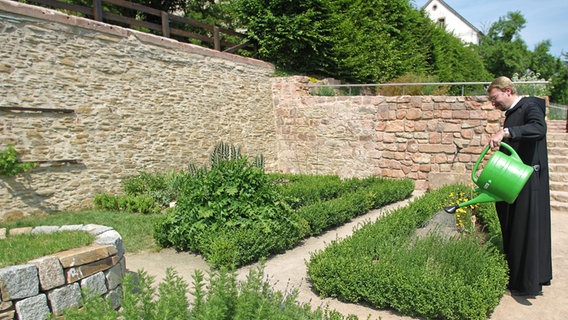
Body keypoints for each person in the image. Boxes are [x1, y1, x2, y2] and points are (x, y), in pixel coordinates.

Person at [486, 76, 552, 296]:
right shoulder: (513, 113)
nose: (493, 104)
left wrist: (505, 132)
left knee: (526, 230)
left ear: (508, 90)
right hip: (516, 178)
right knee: (515, 227)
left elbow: (538, 129)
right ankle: (520, 278)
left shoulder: (530, 106)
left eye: (494, 98)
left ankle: (527, 283)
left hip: (528, 179)